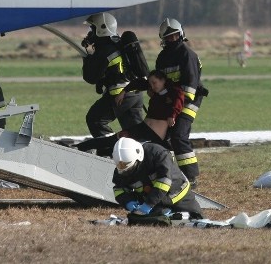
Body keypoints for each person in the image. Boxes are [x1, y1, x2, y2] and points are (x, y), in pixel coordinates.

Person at [155, 17, 206, 186]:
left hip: (189, 100)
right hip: (172, 102)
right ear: (163, 39)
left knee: (178, 135)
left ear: (181, 34)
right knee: (162, 137)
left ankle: (190, 177)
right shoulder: (162, 58)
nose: (172, 39)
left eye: (175, 36)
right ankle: (167, 171)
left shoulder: (187, 54)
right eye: (169, 37)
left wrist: (174, 112)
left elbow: (190, 86)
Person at [81, 13, 144, 142]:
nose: (90, 34)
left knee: (95, 120)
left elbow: (90, 77)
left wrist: (88, 56)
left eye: (92, 30)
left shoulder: (105, 50)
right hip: (135, 94)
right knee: (135, 133)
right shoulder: (118, 43)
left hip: (119, 95)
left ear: (101, 29)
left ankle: (110, 150)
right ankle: (148, 155)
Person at [111, 138, 202, 223]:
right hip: (153, 202)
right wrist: (128, 201)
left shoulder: (158, 154)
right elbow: (118, 189)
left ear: (138, 157)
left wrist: (149, 204)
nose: (127, 171)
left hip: (179, 196)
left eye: (130, 168)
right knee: (152, 221)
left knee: (196, 219)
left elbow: (164, 181)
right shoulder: (123, 167)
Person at [118, 69, 185, 144]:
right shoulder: (155, 90)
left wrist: (173, 115)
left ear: (163, 80)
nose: (152, 87)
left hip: (154, 135)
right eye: (150, 84)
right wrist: (123, 91)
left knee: (123, 141)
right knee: (120, 136)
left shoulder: (174, 91)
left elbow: (178, 101)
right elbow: (137, 83)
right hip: (143, 129)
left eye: (154, 83)